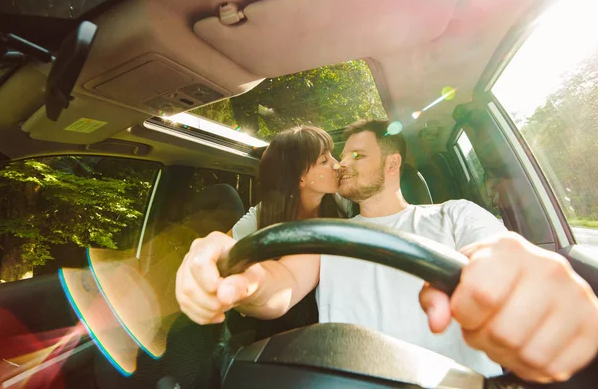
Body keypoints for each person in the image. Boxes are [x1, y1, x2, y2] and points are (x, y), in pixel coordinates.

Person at [176, 120, 598, 383]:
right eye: (340, 156)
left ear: (392, 165)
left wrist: (528, 285)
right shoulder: (327, 233)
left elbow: (498, 253)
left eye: (357, 154)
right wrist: (238, 281)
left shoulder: (454, 216)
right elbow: (280, 285)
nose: (342, 164)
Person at [231, 125, 349, 241]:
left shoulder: (343, 200)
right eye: (324, 161)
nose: (337, 164)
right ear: (299, 179)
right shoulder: (262, 216)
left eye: (331, 155)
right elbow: (223, 245)